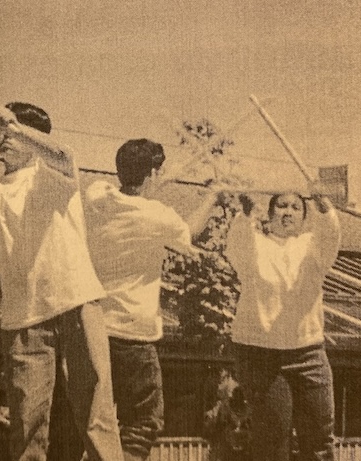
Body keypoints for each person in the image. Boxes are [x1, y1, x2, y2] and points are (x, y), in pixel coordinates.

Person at [0, 102, 124, 461]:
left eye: (12, 133)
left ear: (33, 137)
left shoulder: (55, 173)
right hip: (24, 316)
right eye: (1, 132)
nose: (3, 138)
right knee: (27, 423)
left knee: (97, 414)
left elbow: (62, 151)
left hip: (77, 302)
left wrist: (14, 126)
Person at [83, 138, 215, 461]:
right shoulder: (158, 216)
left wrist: (152, 182)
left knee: (86, 418)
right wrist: (213, 196)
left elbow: (129, 192)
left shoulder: (95, 197)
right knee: (143, 421)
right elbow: (190, 230)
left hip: (91, 330)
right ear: (153, 174)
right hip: (133, 336)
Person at [223, 190, 340, 461]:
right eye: (281, 206)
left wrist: (325, 208)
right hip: (262, 356)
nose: (288, 212)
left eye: (296, 207)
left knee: (320, 439)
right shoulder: (255, 246)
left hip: (308, 353)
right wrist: (244, 214)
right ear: (271, 213)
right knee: (272, 439)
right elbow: (237, 243)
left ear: (303, 217)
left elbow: (331, 236)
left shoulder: (313, 248)